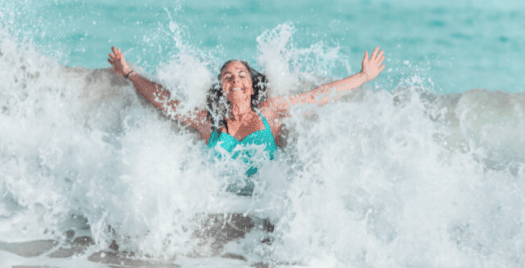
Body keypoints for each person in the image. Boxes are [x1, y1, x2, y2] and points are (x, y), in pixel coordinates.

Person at [106, 46, 386, 185]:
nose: (235, 80)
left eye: (242, 75)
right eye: (228, 77)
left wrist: (363, 76)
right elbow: (166, 101)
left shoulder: (271, 112)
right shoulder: (209, 123)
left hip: (264, 214)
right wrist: (129, 73)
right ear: (222, 88)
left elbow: (317, 96)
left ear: (252, 85)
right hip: (222, 213)